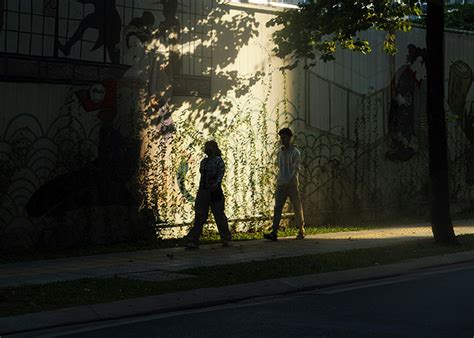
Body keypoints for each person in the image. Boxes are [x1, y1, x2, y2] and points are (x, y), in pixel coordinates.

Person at [184, 141, 232, 248]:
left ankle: (226, 239)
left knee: (219, 215)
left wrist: (215, 185)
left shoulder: (219, 161)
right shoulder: (204, 162)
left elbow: (220, 176)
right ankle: (193, 239)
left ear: (214, 149)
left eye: (209, 147)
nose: (206, 149)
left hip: (215, 192)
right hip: (203, 191)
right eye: (206, 147)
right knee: (200, 216)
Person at [264, 128, 306, 241]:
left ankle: (301, 230)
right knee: (277, 208)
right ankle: (274, 232)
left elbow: (296, 168)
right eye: (281, 137)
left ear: (290, 138)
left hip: (292, 184)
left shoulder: (295, 152)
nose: (282, 140)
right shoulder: (280, 152)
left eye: (284, 137)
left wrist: (289, 180)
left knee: (297, 207)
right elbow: (280, 168)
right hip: (281, 184)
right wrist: (280, 181)